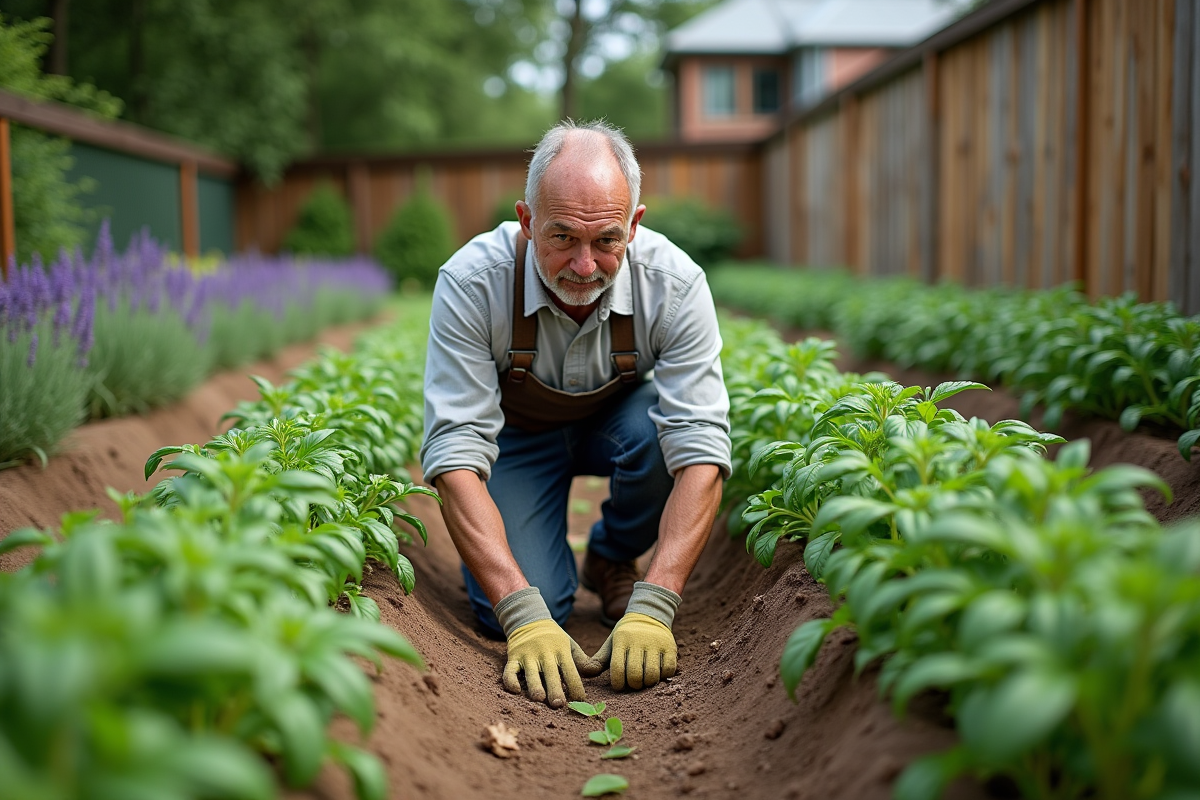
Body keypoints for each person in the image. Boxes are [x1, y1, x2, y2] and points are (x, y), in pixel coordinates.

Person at [420, 120, 731, 709]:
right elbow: (455, 451)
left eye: (607, 241)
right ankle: (549, 583)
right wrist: (521, 611)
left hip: (619, 429)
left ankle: (612, 556)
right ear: (528, 219)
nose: (584, 265)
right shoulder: (472, 282)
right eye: (562, 237)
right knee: (510, 610)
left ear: (634, 225)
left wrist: (658, 601)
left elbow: (703, 447)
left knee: (660, 435)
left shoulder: (676, 283)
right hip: (515, 441)